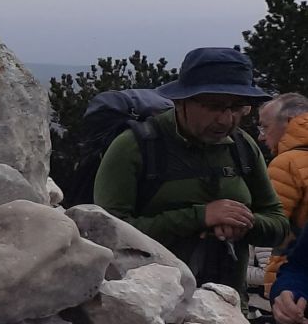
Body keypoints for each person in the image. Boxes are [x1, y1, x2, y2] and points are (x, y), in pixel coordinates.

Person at [94, 47, 285, 300]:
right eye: (213, 106)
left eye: (238, 107)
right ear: (181, 101)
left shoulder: (242, 147)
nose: (226, 119)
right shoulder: (135, 147)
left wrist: (242, 224)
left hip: (227, 304)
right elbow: (106, 233)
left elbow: (278, 223)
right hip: (148, 306)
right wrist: (200, 216)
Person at [263, 93, 308, 295]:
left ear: (289, 123)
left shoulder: (286, 162)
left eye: (265, 126)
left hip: (292, 279)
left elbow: (273, 229)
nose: (261, 136)